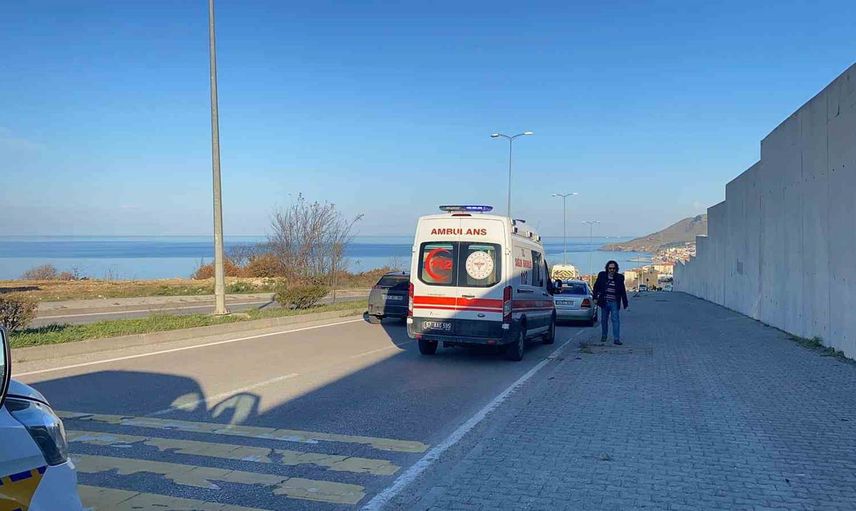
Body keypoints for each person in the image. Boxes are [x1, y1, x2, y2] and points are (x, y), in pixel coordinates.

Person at [592, 260, 629, 345]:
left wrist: (625, 303)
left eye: (613, 268)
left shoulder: (619, 278)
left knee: (615, 320)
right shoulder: (602, 275)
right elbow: (596, 287)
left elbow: (622, 291)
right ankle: (604, 336)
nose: (612, 270)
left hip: (614, 302)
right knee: (604, 320)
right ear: (607, 268)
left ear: (616, 269)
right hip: (604, 302)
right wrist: (595, 297)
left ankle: (616, 339)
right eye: (610, 268)